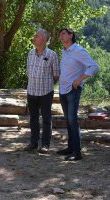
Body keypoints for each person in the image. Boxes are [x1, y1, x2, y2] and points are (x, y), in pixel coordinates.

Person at [57, 28, 98, 161]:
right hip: (63, 90)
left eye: (63, 33)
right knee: (68, 121)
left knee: (73, 120)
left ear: (71, 35)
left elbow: (93, 66)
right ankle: (70, 148)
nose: (61, 36)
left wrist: (80, 79)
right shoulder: (65, 51)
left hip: (73, 90)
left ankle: (77, 152)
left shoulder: (78, 51)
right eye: (60, 34)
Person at [23, 29, 60, 154]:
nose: (34, 38)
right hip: (31, 90)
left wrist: (47, 84)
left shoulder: (52, 55)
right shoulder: (30, 53)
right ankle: (33, 143)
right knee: (33, 118)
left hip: (45, 92)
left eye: (37, 36)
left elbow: (56, 75)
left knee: (46, 119)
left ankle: (45, 144)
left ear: (44, 40)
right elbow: (28, 72)